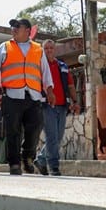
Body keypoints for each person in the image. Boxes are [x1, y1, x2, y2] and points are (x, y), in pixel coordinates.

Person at [0, 18, 55, 175]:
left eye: (18, 26)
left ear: (28, 31)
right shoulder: (5, 47)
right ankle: (14, 164)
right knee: (13, 131)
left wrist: (50, 91)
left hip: (33, 96)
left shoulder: (38, 49)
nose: (14, 29)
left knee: (35, 128)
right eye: (13, 26)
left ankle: (27, 157)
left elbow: (45, 72)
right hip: (12, 95)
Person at [33, 40, 80, 176]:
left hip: (62, 106)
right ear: (42, 50)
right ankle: (54, 166)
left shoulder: (63, 66)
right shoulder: (39, 67)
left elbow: (70, 86)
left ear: (55, 50)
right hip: (46, 106)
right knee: (52, 136)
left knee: (58, 137)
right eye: (46, 48)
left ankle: (41, 159)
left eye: (51, 48)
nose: (49, 50)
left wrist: (75, 101)